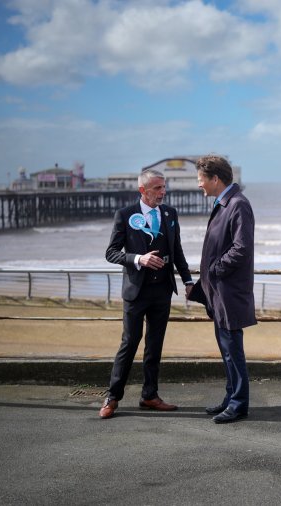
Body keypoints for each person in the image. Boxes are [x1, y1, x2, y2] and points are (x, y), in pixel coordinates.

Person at [99, 168, 194, 419]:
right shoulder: (125, 215)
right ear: (143, 190)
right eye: (157, 188)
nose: (163, 193)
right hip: (136, 291)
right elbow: (111, 253)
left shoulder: (170, 214)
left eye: (164, 187)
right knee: (129, 344)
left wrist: (187, 280)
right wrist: (138, 258)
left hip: (162, 290)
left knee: (155, 345)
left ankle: (150, 395)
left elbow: (177, 251)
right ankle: (112, 397)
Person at [191, 155, 256, 424]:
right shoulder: (225, 203)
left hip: (228, 290)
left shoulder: (238, 205)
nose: (199, 186)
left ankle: (239, 403)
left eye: (201, 180)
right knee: (226, 348)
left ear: (215, 179)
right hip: (219, 291)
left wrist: (215, 269)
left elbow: (241, 248)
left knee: (233, 349)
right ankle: (231, 398)